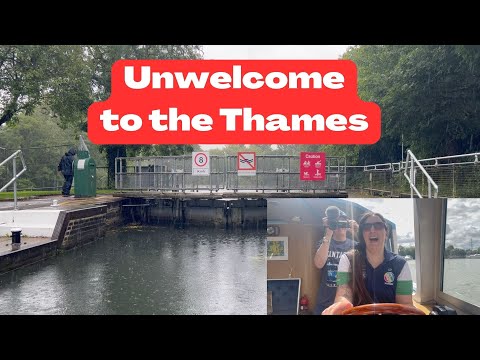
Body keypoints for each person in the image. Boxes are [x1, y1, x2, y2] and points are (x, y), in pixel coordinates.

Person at [322, 211, 414, 315]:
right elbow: (344, 293)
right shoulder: (348, 260)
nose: (372, 230)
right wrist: (341, 304)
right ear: (362, 234)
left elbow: (405, 304)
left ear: (386, 231)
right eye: (366, 227)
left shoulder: (400, 264)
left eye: (378, 225)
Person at [313, 206, 358, 315]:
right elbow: (319, 264)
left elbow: (369, 258)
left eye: (343, 222)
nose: (340, 225)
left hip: (347, 302)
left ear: (347, 225)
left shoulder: (355, 245)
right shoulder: (324, 243)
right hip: (325, 302)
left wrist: (357, 232)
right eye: (336, 222)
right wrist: (328, 233)